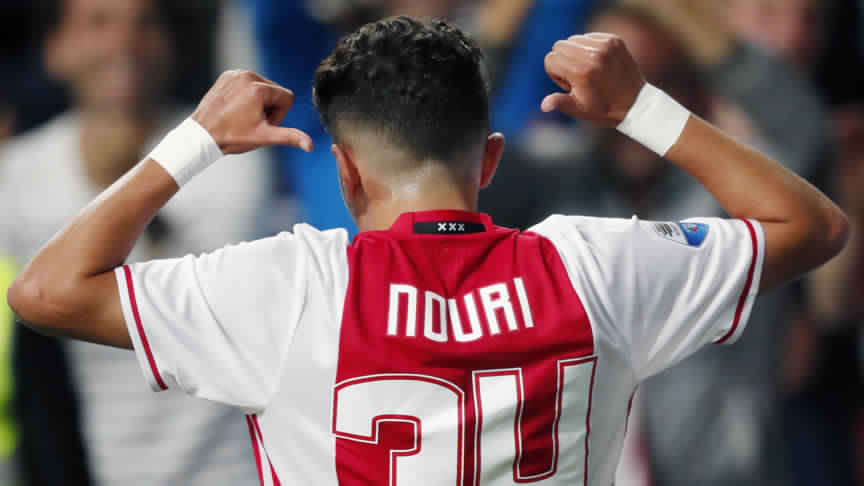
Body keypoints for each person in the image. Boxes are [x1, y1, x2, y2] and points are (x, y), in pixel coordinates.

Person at [8, 16, 849, 485]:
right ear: (490, 159)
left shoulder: (289, 287)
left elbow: (47, 291)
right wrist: (641, 108)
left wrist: (196, 139)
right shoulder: (596, 269)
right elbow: (812, 225)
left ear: (345, 171)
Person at [0, 0, 263, 484]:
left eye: (144, 24)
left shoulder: (241, 157)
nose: (124, 42)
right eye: (98, 23)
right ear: (54, 49)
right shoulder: (16, 178)